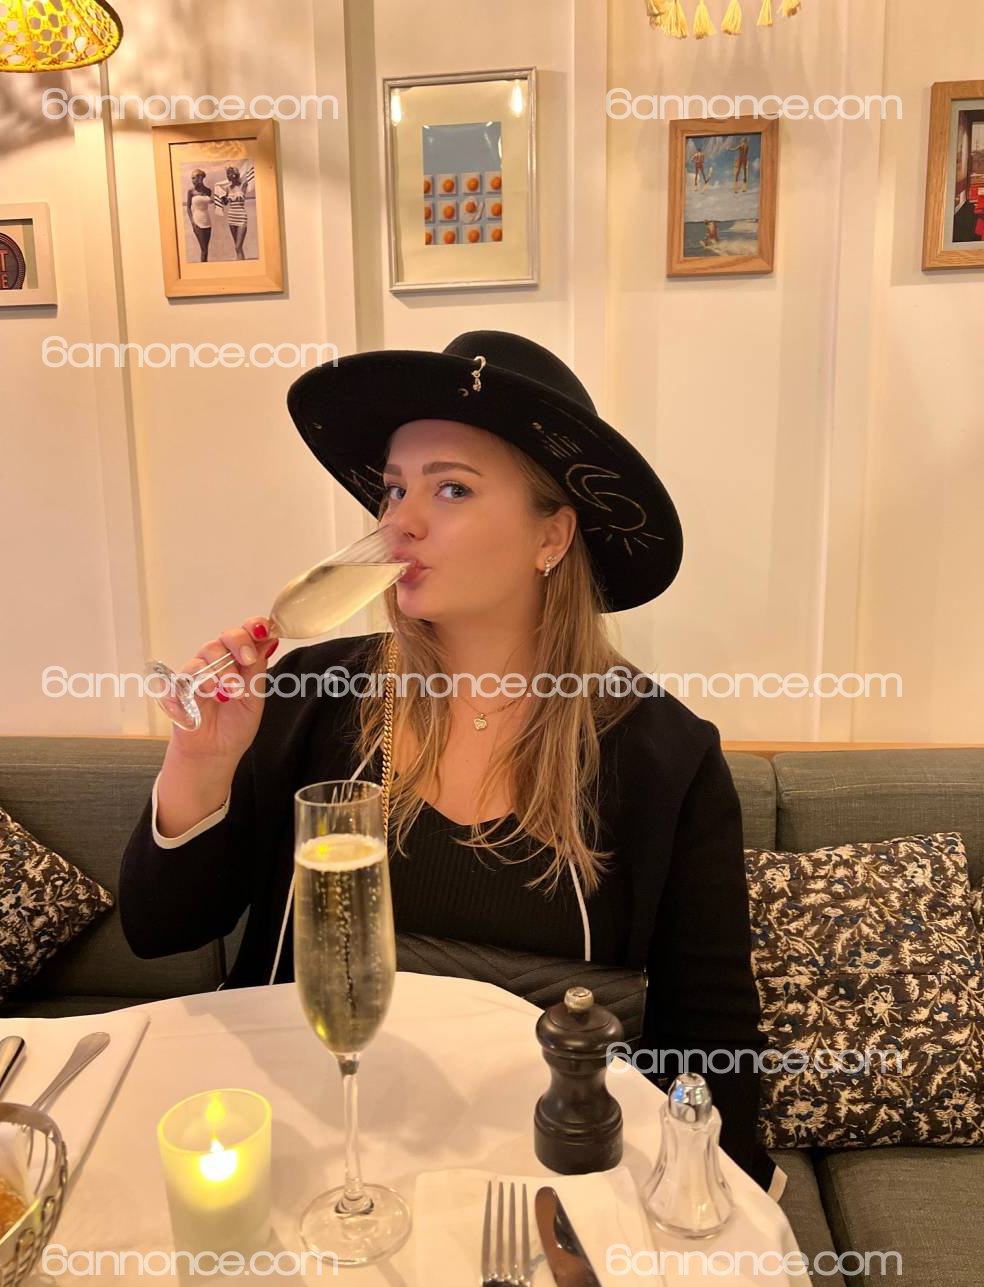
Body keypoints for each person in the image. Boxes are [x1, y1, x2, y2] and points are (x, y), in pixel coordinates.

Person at [118, 330, 784, 1197]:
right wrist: (201, 764)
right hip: (309, 1149)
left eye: (453, 488)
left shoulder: (664, 755)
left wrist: (717, 1209)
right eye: (395, 489)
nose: (401, 521)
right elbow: (159, 930)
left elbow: (710, 1035)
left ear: (552, 536)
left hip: (539, 1178)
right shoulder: (314, 694)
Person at [212, 162, 254, 259]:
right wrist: (221, 197)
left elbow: (251, 174)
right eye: (227, 175)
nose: (228, 177)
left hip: (241, 217)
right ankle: (241, 263)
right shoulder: (227, 188)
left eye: (229, 174)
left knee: (237, 247)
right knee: (237, 247)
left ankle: (241, 263)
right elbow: (225, 203)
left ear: (235, 175)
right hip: (231, 217)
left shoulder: (243, 184)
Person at [185, 169, 213, 263]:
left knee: (205, 250)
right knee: (204, 249)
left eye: (194, 178)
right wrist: (193, 223)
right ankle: (203, 268)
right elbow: (188, 208)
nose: (192, 180)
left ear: (200, 178)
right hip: (197, 222)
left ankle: (204, 267)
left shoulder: (208, 191)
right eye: (192, 178)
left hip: (207, 221)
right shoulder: (191, 191)